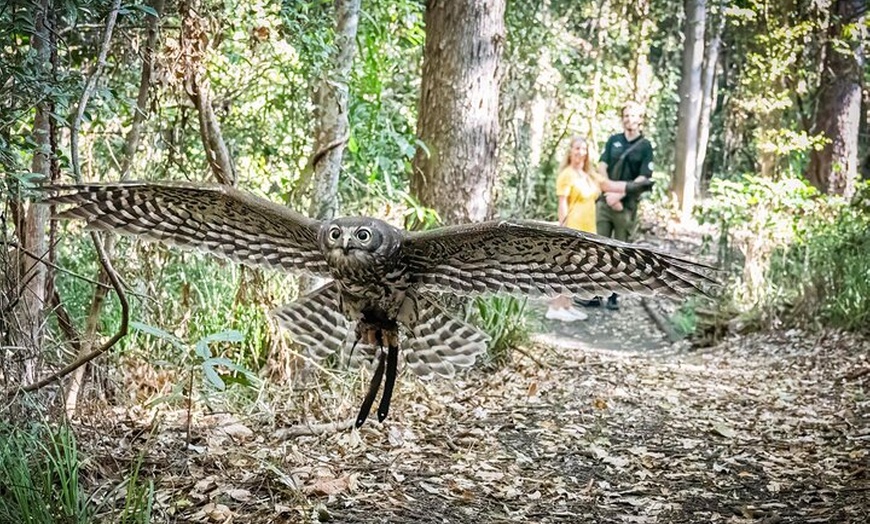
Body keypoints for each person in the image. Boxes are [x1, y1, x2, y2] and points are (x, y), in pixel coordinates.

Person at [546, 136, 650, 321]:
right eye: (577, 148)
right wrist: (563, 229)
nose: (580, 152)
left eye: (584, 149)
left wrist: (635, 186)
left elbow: (609, 185)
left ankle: (567, 306)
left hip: (587, 227)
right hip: (572, 226)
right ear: (570, 151)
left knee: (575, 269)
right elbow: (562, 204)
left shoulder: (589, 175)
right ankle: (555, 308)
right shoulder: (566, 174)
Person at [587, 101, 655, 311]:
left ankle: (614, 295)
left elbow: (644, 179)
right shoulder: (613, 141)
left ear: (640, 119)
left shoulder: (645, 146)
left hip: (626, 207)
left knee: (620, 251)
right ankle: (596, 294)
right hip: (605, 203)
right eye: (625, 115)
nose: (629, 119)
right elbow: (602, 167)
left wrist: (620, 194)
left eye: (632, 115)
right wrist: (608, 192)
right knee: (599, 248)